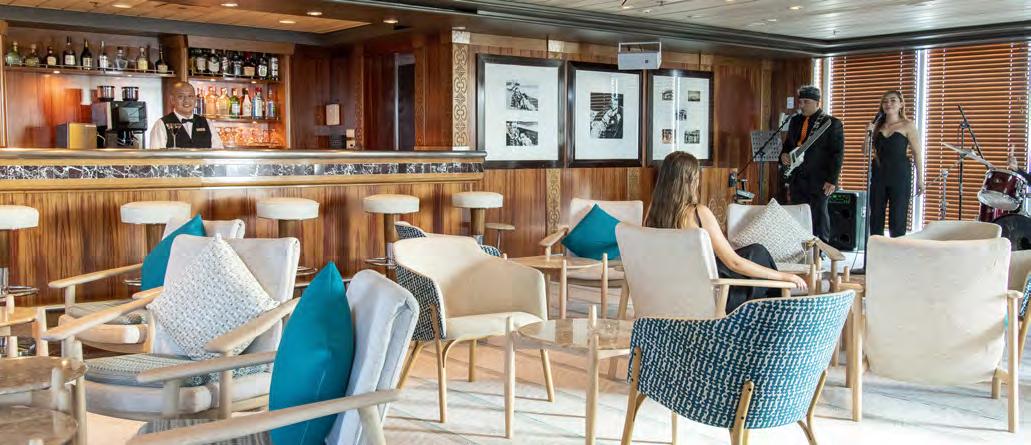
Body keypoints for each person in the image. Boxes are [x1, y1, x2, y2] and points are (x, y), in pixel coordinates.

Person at [646, 151, 807, 313]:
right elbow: (734, 263)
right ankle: (780, 312)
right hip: (710, 291)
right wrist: (785, 277)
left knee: (754, 252)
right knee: (759, 254)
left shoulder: (651, 214)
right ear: (690, 181)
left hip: (674, 289)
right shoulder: (698, 213)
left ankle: (774, 311)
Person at [779, 85, 844, 241]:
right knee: (799, 214)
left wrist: (832, 180)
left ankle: (821, 249)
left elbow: (837, 154)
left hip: (820, 179)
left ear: (817, 103)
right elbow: (788, 145)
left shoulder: (831, 123)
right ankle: (800, 246)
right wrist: (784, 155)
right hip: (797, 177)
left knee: (818, 216)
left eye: (806, 102)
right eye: (800, 101)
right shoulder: (795, 121)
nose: (801, 105)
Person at [867, 90, 925, 237]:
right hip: (879, 175)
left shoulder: (908, 125)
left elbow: (917, 153)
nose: (888, 104)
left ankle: (896, 250)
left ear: (901, 104)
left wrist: (920, 179)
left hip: (900, 176)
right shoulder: (877, 125)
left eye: (893, 100)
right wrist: (868, 133)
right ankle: (877, 249)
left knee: (898, 219)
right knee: (876, 217)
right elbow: (865, 151)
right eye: (885, 101)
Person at [147, 81, 223, 149]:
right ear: (172, 100)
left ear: (195, 99)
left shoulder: (207, 123)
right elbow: (157, 156)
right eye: (181, 96)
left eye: (190, 96)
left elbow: (218, 152)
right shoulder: (161, 124)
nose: (186, 101)